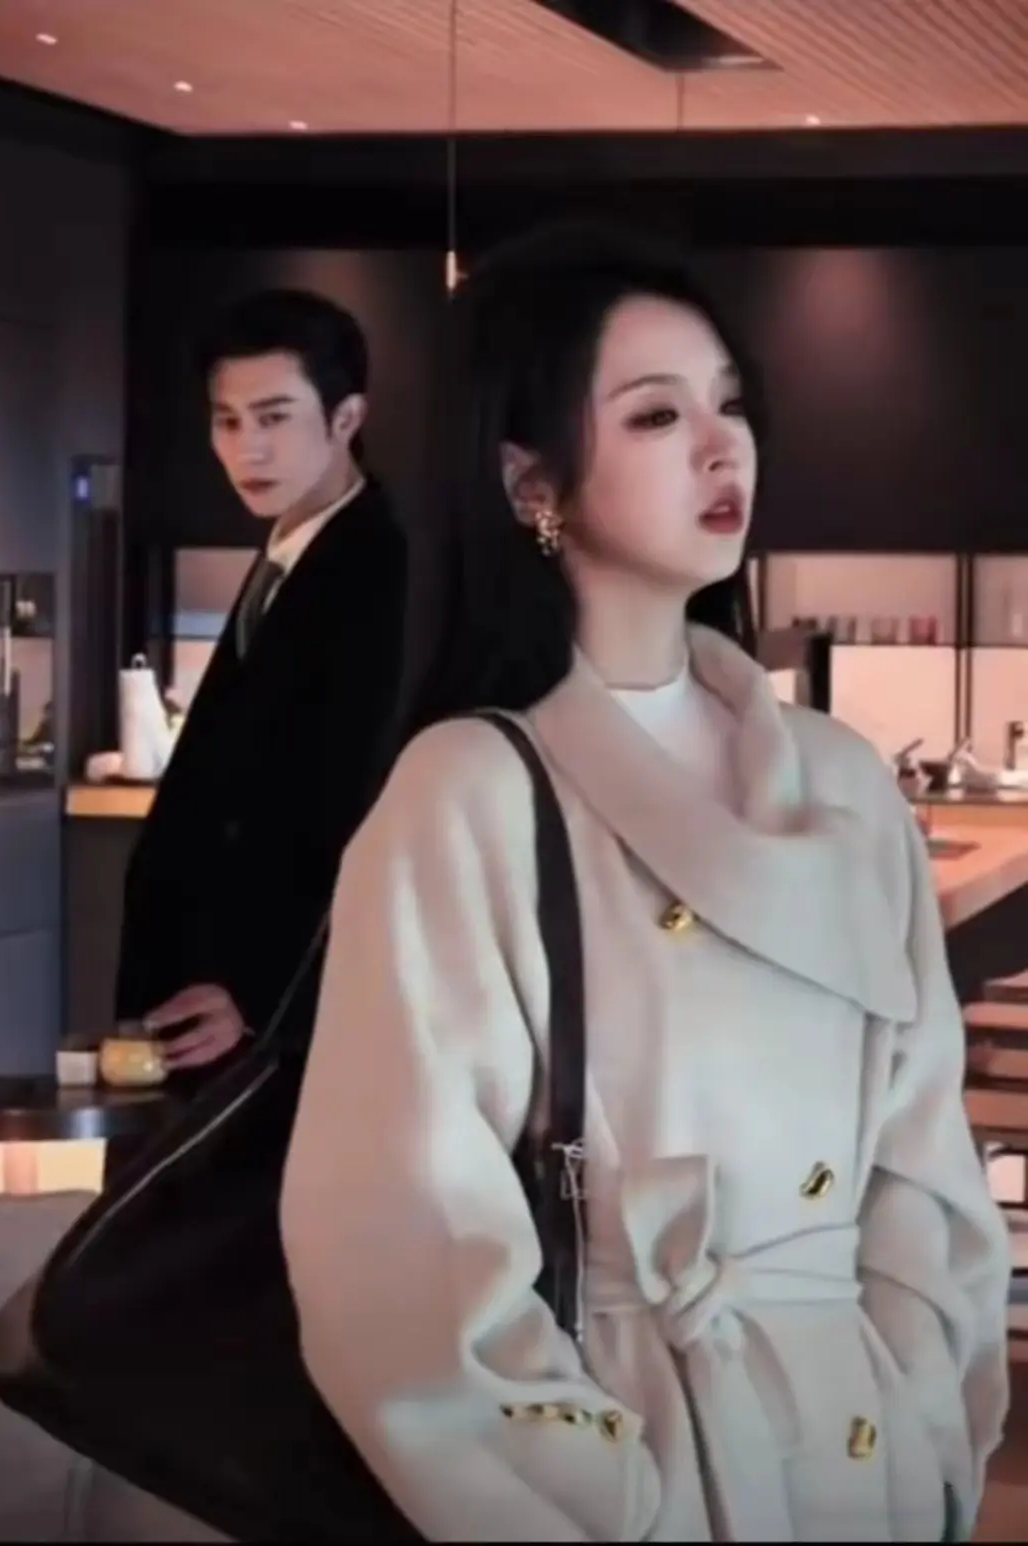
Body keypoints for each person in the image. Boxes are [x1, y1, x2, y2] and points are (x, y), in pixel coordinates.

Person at [279, 223, 1011, 1542]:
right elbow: (399, 1250)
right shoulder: (469, 791)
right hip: (637, 1449)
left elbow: (924, 1174)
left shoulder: (843, 784)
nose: (722, 447)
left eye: (731, 403)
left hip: (866, 1461)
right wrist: (610, 1504)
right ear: (528, 478)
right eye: (657, 414)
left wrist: (928, 1427)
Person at [113, 287, 409, 1072]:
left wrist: (256, 986)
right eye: (228, 421)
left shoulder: (380, 571)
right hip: (210, 998)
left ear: (346, 418)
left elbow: (351, 808)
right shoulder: (289, 553)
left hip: (270, 1020)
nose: (248, 449)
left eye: (274, 418)